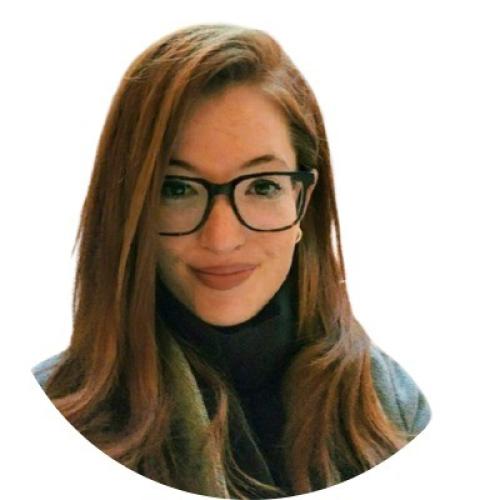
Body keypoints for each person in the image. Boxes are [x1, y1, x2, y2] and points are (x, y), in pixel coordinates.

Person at [32, 23, 431, 499]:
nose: (221, 240)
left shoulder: (393, 409)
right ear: (131, 210)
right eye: (177, 188)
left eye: (262, 186)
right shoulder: (47, 419)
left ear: (303, 203)